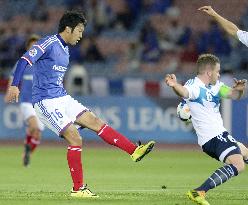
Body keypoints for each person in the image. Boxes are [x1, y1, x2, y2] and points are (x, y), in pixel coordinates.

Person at [4, 10, 155, 198]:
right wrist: (15, 85)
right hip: (45, 102)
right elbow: (24, 60)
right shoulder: (48, 43)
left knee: (95, 121)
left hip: (62, 98)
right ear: (68, 29)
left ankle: (134, 150)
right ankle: (78, 189)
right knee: (75, 138)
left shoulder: (66, 49)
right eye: (79, 31)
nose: (81, 36)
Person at [164, 54, 247, 205]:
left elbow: (234, 95)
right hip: (214, 137)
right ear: (209, 72)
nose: (219, 74)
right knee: (238, 164)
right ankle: (199, 191)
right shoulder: (195, 87)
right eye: (217, 71)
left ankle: (199, 191)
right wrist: (174, 85)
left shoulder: (216, 86)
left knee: (245, 153)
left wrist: (240, 90)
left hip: (218, 135)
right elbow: (184, 92)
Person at [4, 34, 45, 167]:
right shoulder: (22, 62)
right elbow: (12, 77)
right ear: (28, 48)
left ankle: (27, 153)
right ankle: (27, 150)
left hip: (41, 104)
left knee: (36, 134)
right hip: (26, 102)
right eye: (31, 45)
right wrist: (9, 92)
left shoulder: (44, 64)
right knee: (34, 126)